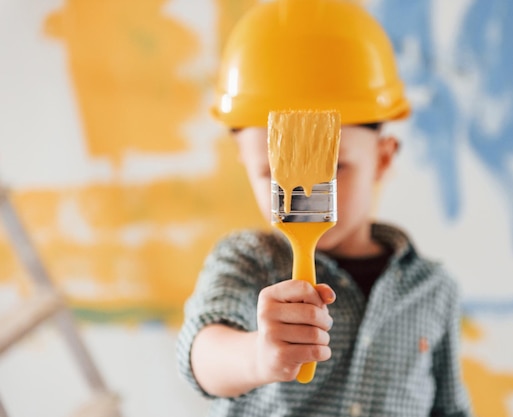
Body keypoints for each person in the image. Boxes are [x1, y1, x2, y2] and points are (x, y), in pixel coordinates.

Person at [176, 0, 471, 416]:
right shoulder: (249, 261)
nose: (304, 188)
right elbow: (201, 354)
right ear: (243, 159)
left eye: (334, 167)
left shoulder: (433, 290)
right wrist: (257, 356)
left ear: (383, 158)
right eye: (271, 171)